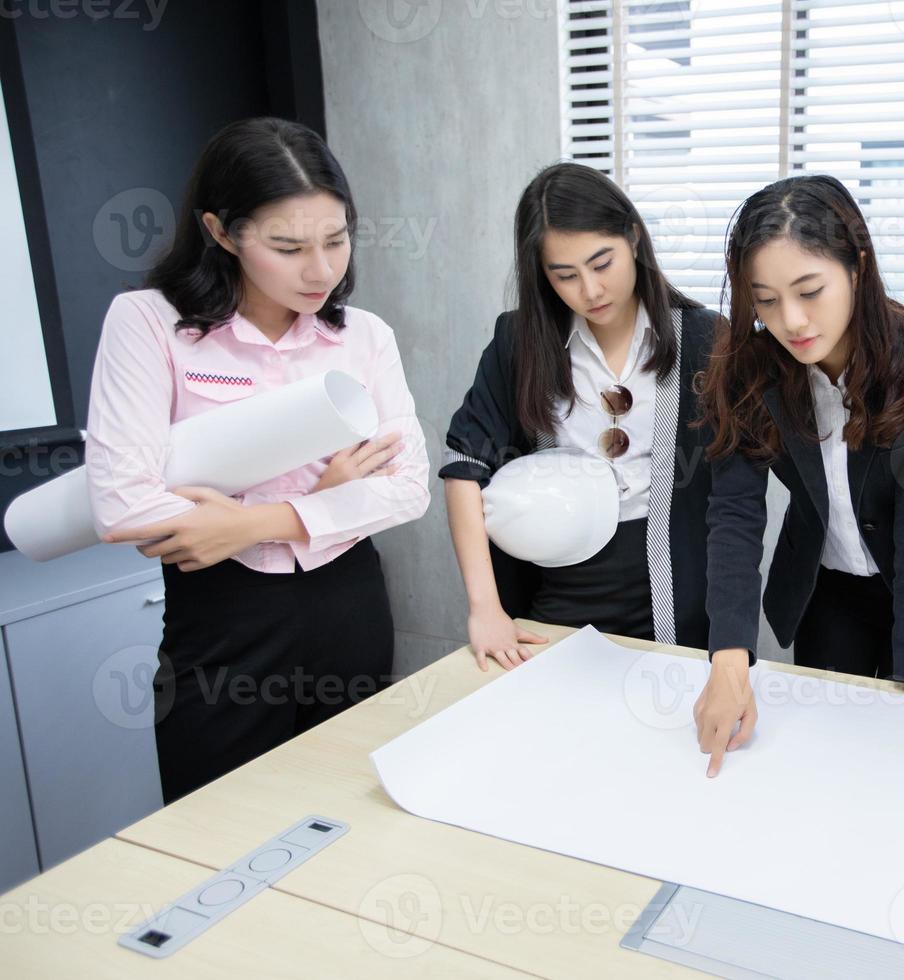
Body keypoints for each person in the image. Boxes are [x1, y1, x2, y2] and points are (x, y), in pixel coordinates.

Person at [89, 117, 430, 802]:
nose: (322, 270)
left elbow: (408, 489)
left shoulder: (362, 336)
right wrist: (330, 497)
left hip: (348, 602)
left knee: (350, 811)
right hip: (224, 618)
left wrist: (254, 522)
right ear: (221, 232)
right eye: (287, 246)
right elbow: (125, 503)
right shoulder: (149, 322)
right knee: (216, 821)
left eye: (336, 240)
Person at [692, 174, 904, 777]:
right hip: (827, 584)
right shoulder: (749, 370)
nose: (790, 321)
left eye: (810, 290)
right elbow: (734, 512)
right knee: (826, 751)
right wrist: (728, 659)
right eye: (765, 299)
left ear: (857, 267)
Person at [440, 163, 718, 669]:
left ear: (633, 237)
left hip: (673, 591)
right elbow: (464, 466)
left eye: (601, 262)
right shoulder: (519, 342)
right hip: (557, 586)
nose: (589, 290)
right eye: (564, 275)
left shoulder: (704, 340)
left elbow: (737, 499)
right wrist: (485, 609)